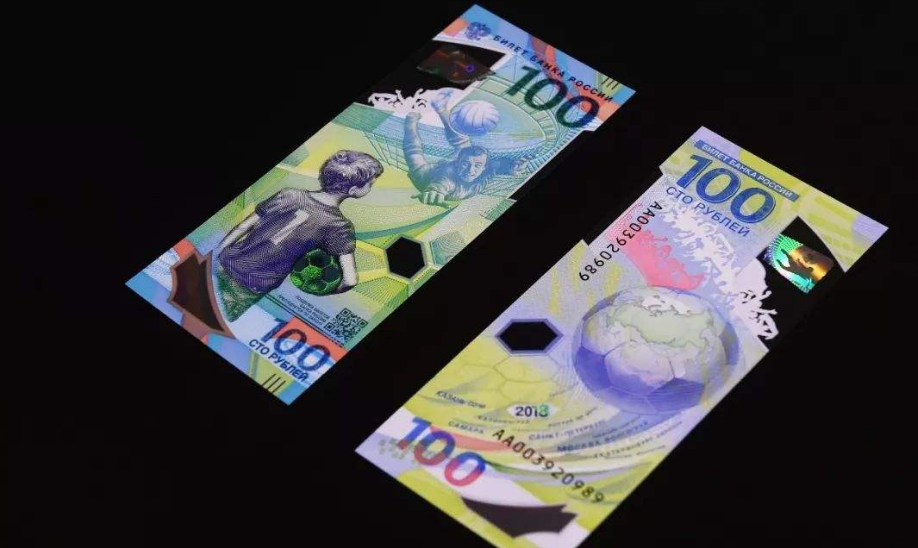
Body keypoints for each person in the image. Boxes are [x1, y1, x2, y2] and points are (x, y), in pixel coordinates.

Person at [214, 150, 383, 321]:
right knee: (221, 318)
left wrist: (218, 252)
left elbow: (243, 226)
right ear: (353, 190)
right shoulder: (339, 226)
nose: (370, 188)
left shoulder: (288, 194)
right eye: (370, 184)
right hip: (253, 283)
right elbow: (350, 280)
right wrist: (322, 290)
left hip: (225, 261)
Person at [403, 91, 529, 206]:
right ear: (457, 162)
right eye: (465, 164)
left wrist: (513, 166)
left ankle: (414, 118)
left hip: (429, 175)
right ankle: (416, 119)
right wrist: (435, 191)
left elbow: (503, 164)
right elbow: (442, 183)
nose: (470, 170)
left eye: (477, 165)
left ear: (484, 167)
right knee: (414, 153)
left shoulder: (489, 168)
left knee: (415, 155)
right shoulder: (448, 175)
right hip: (426, 176)